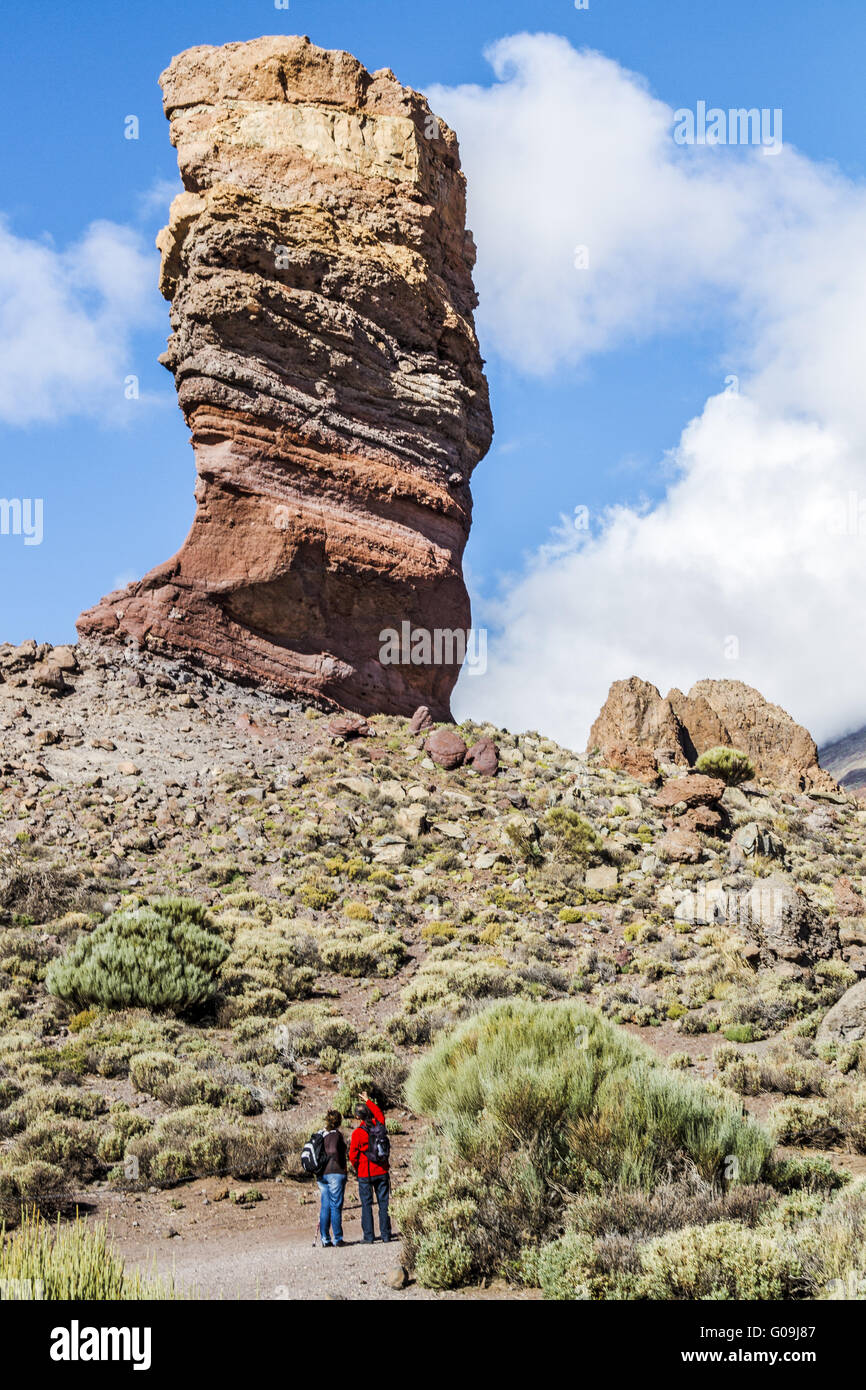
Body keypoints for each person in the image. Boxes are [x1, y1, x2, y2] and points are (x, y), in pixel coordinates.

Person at [349, 1092, 391, 1244]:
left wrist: (356, 1168)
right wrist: (368, 1100)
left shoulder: (357, 1134)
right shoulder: (379, 1126)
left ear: (358, 1117)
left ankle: (369, 1236)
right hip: (382, 1171)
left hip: (365, 1173)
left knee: (366, 1205)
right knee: (383, 1203)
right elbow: (380, 1113)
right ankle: (386, 1235)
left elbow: (352, 1156)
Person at [317, 1109, 348, 1248]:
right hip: (335, 1172)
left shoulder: (321, 1134)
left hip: (322, 1173)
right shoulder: (336, 1135)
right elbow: (336, 1151)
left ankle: (325, 1238)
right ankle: (338, 1238)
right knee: (336, 1206)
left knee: (325, 1206)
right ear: (339, 1121)